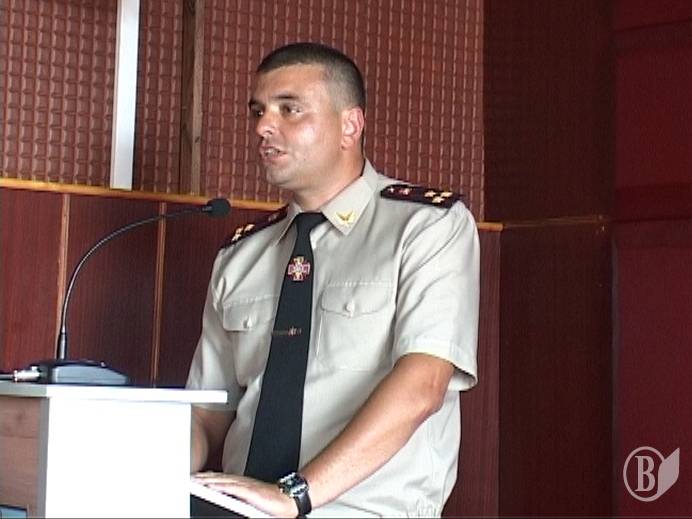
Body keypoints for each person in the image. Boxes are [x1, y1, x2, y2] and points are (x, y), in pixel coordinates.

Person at [186, 41, 480, 518]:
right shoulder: (240, 256)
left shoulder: (427, 227)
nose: (263, 127)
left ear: (350, 125)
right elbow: (206, 412)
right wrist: (153, 470)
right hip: (242, 507)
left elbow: (423, 385)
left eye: (289, 109)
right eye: (258, 111)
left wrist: (295, 496)